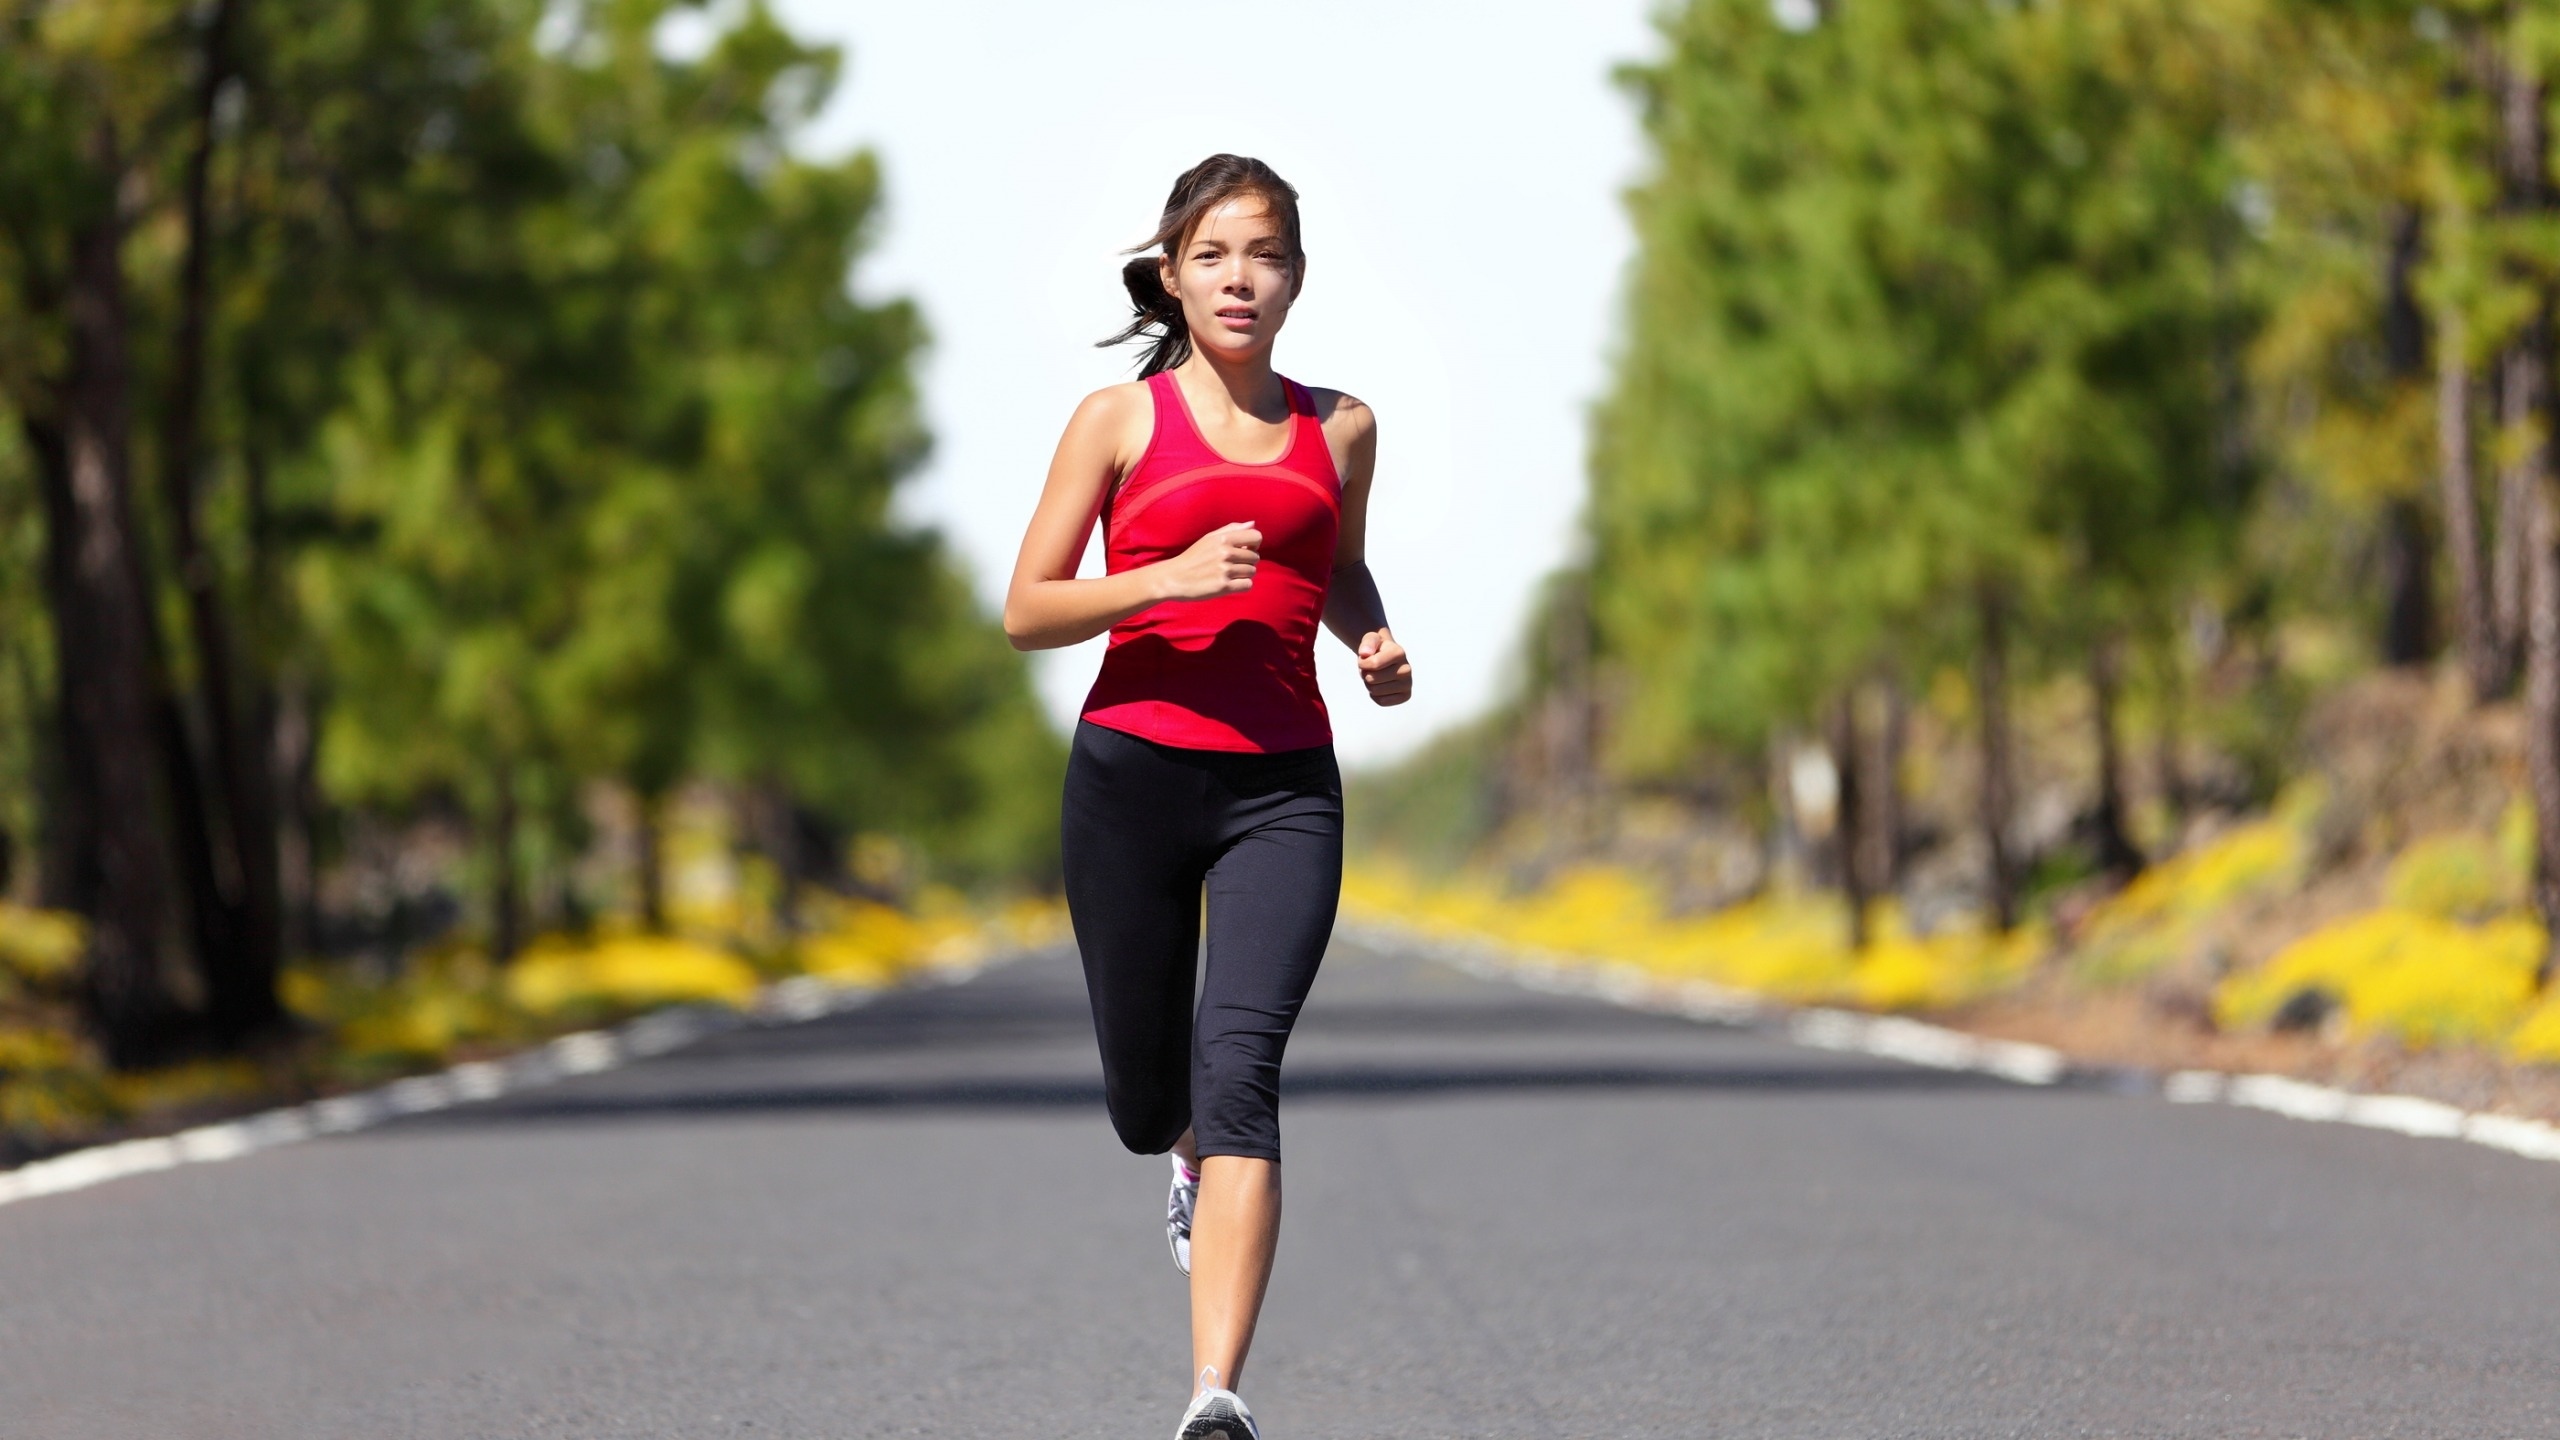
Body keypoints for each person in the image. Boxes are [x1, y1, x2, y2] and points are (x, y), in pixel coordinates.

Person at [1003, 153, 1412, 1440]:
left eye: (1266, 256)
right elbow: (1027, 609)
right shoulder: (1116, 423)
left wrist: (1371, 637)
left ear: (1297, 278)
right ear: (1172, 277)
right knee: (1149, 1103)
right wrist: (1161, 579)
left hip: (1282, 789)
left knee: (1242, 1070)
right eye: (1215, 256)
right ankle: (1176, 1151)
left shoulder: (1340, 427)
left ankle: (1213, 1396)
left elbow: (1334, 563)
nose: (1242, 279)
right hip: (1130, 777)